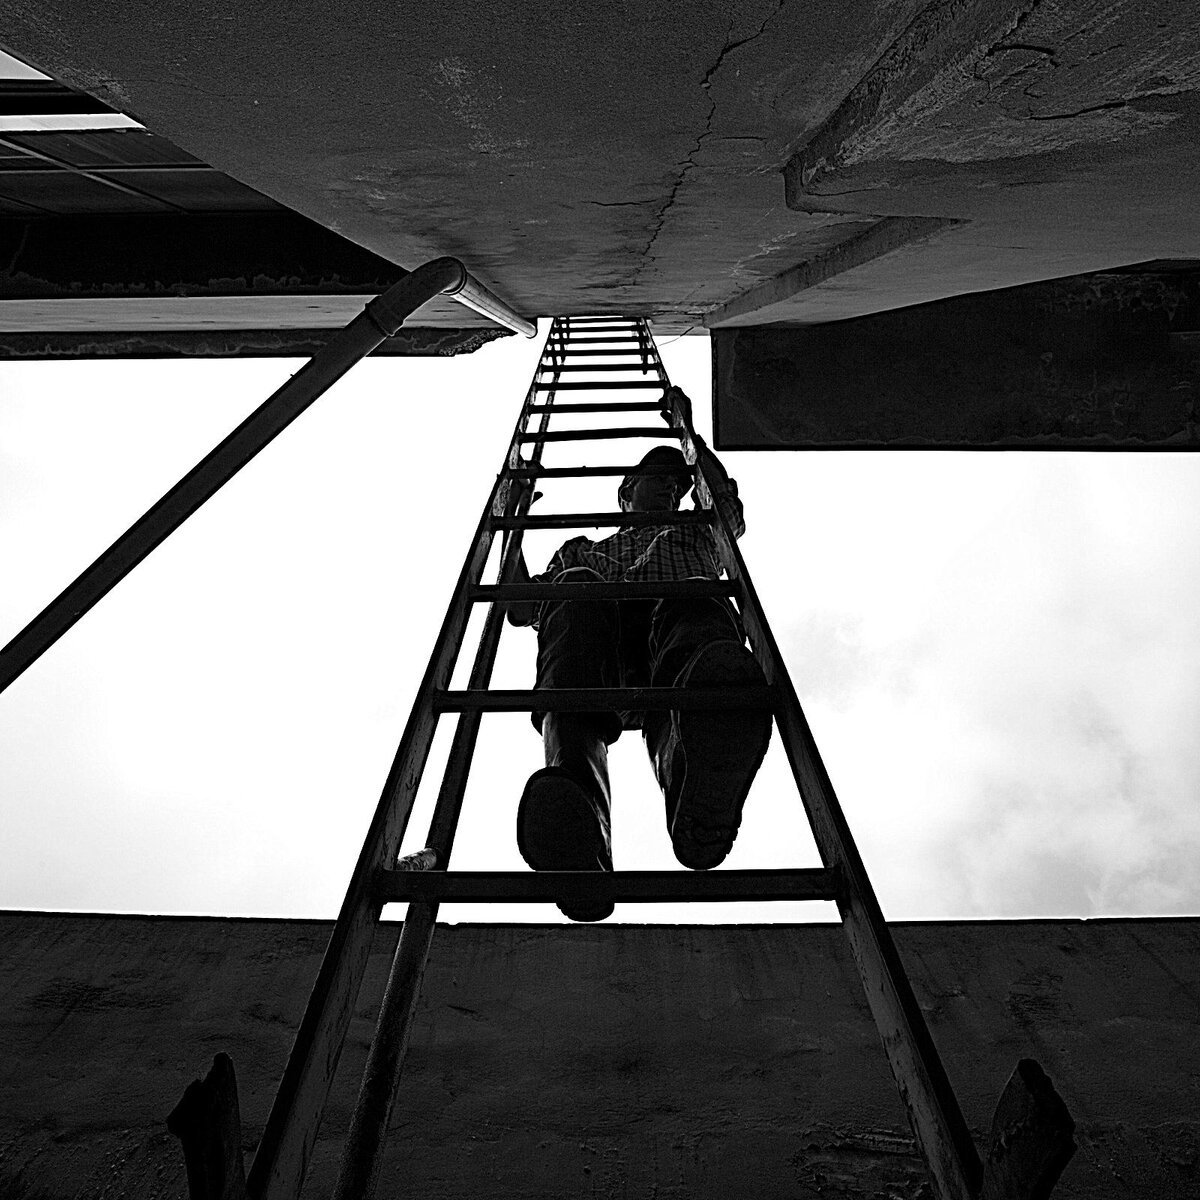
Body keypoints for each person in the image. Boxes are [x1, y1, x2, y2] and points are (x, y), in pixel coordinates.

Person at [503, 390, 772, 920]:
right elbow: (520, 608)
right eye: (658, 478)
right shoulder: (581, 550)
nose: (672, 487)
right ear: (626, 492)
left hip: (675, 653)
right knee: (576, 587)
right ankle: (581, 822)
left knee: (697, 592)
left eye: (678, 483)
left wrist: (688, 435)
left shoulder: (694, 536)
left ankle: (695, 797)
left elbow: (726, 511)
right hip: (596, 658)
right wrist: (512, 517)